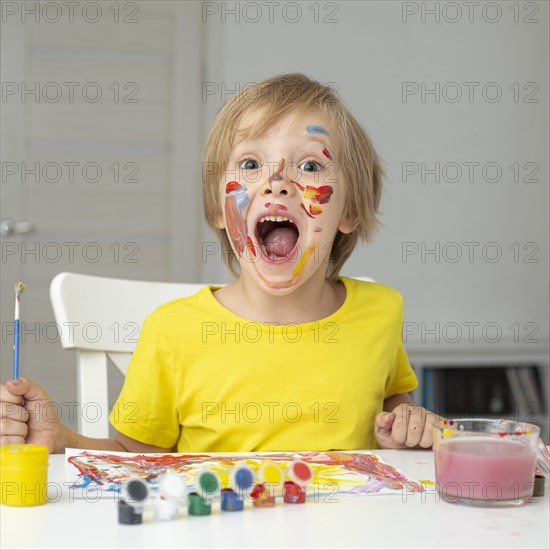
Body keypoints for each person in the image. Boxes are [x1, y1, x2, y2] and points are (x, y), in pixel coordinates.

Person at [0, 73, 438, 454]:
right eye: (250, 163)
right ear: (217, 209)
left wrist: (406, 424)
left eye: (309, 164)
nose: (277, 183)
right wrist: (58, 438)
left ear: (350, 210)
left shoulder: (381, 311)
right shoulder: (172, 333)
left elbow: (390, 403)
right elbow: (131, 456)